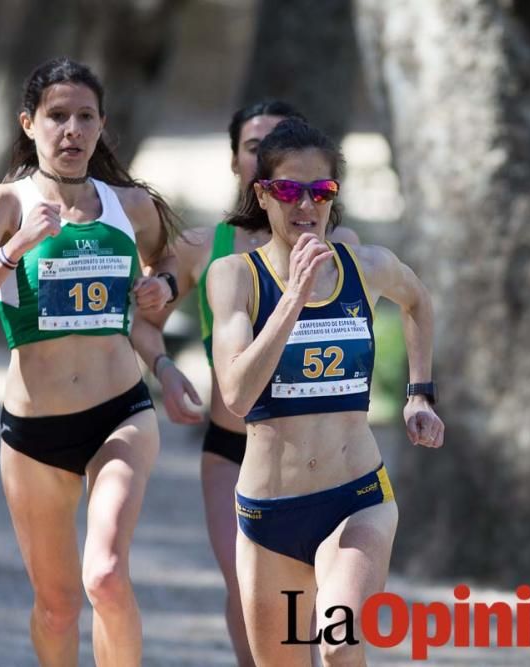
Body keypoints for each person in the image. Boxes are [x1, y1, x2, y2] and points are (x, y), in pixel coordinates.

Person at [0, 57, 179, 666]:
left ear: (101, 126)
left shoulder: (133, 206)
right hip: (34, 433)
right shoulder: (2, 204)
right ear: (29, 124)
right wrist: (14, 251)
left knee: (105, 576)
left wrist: (164, 290)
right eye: (57, 116)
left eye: (85, 117)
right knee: (57, 605)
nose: (72, 130)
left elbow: (176, 263)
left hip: (120, 414)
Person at [206, 118, 444, 666]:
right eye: (289, 189)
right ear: (262, 195)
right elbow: (238, 394)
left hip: (356, 499)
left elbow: (418, 302)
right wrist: (292, 299)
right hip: (271, 516)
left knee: (338, 642)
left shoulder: (366, 267)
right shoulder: (235, 277)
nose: (306, 205)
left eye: (322, 191)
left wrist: (420, 392)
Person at [129, 101, 357, 666]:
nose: (265, 156)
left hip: (320, 460)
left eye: (276, 145)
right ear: (238, 162)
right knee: (247, 589)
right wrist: (164, 368)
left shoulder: (341, 245)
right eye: (254, 146)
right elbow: (142, 321)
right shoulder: (206, 247)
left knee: (312, 607)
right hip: (234, 450)